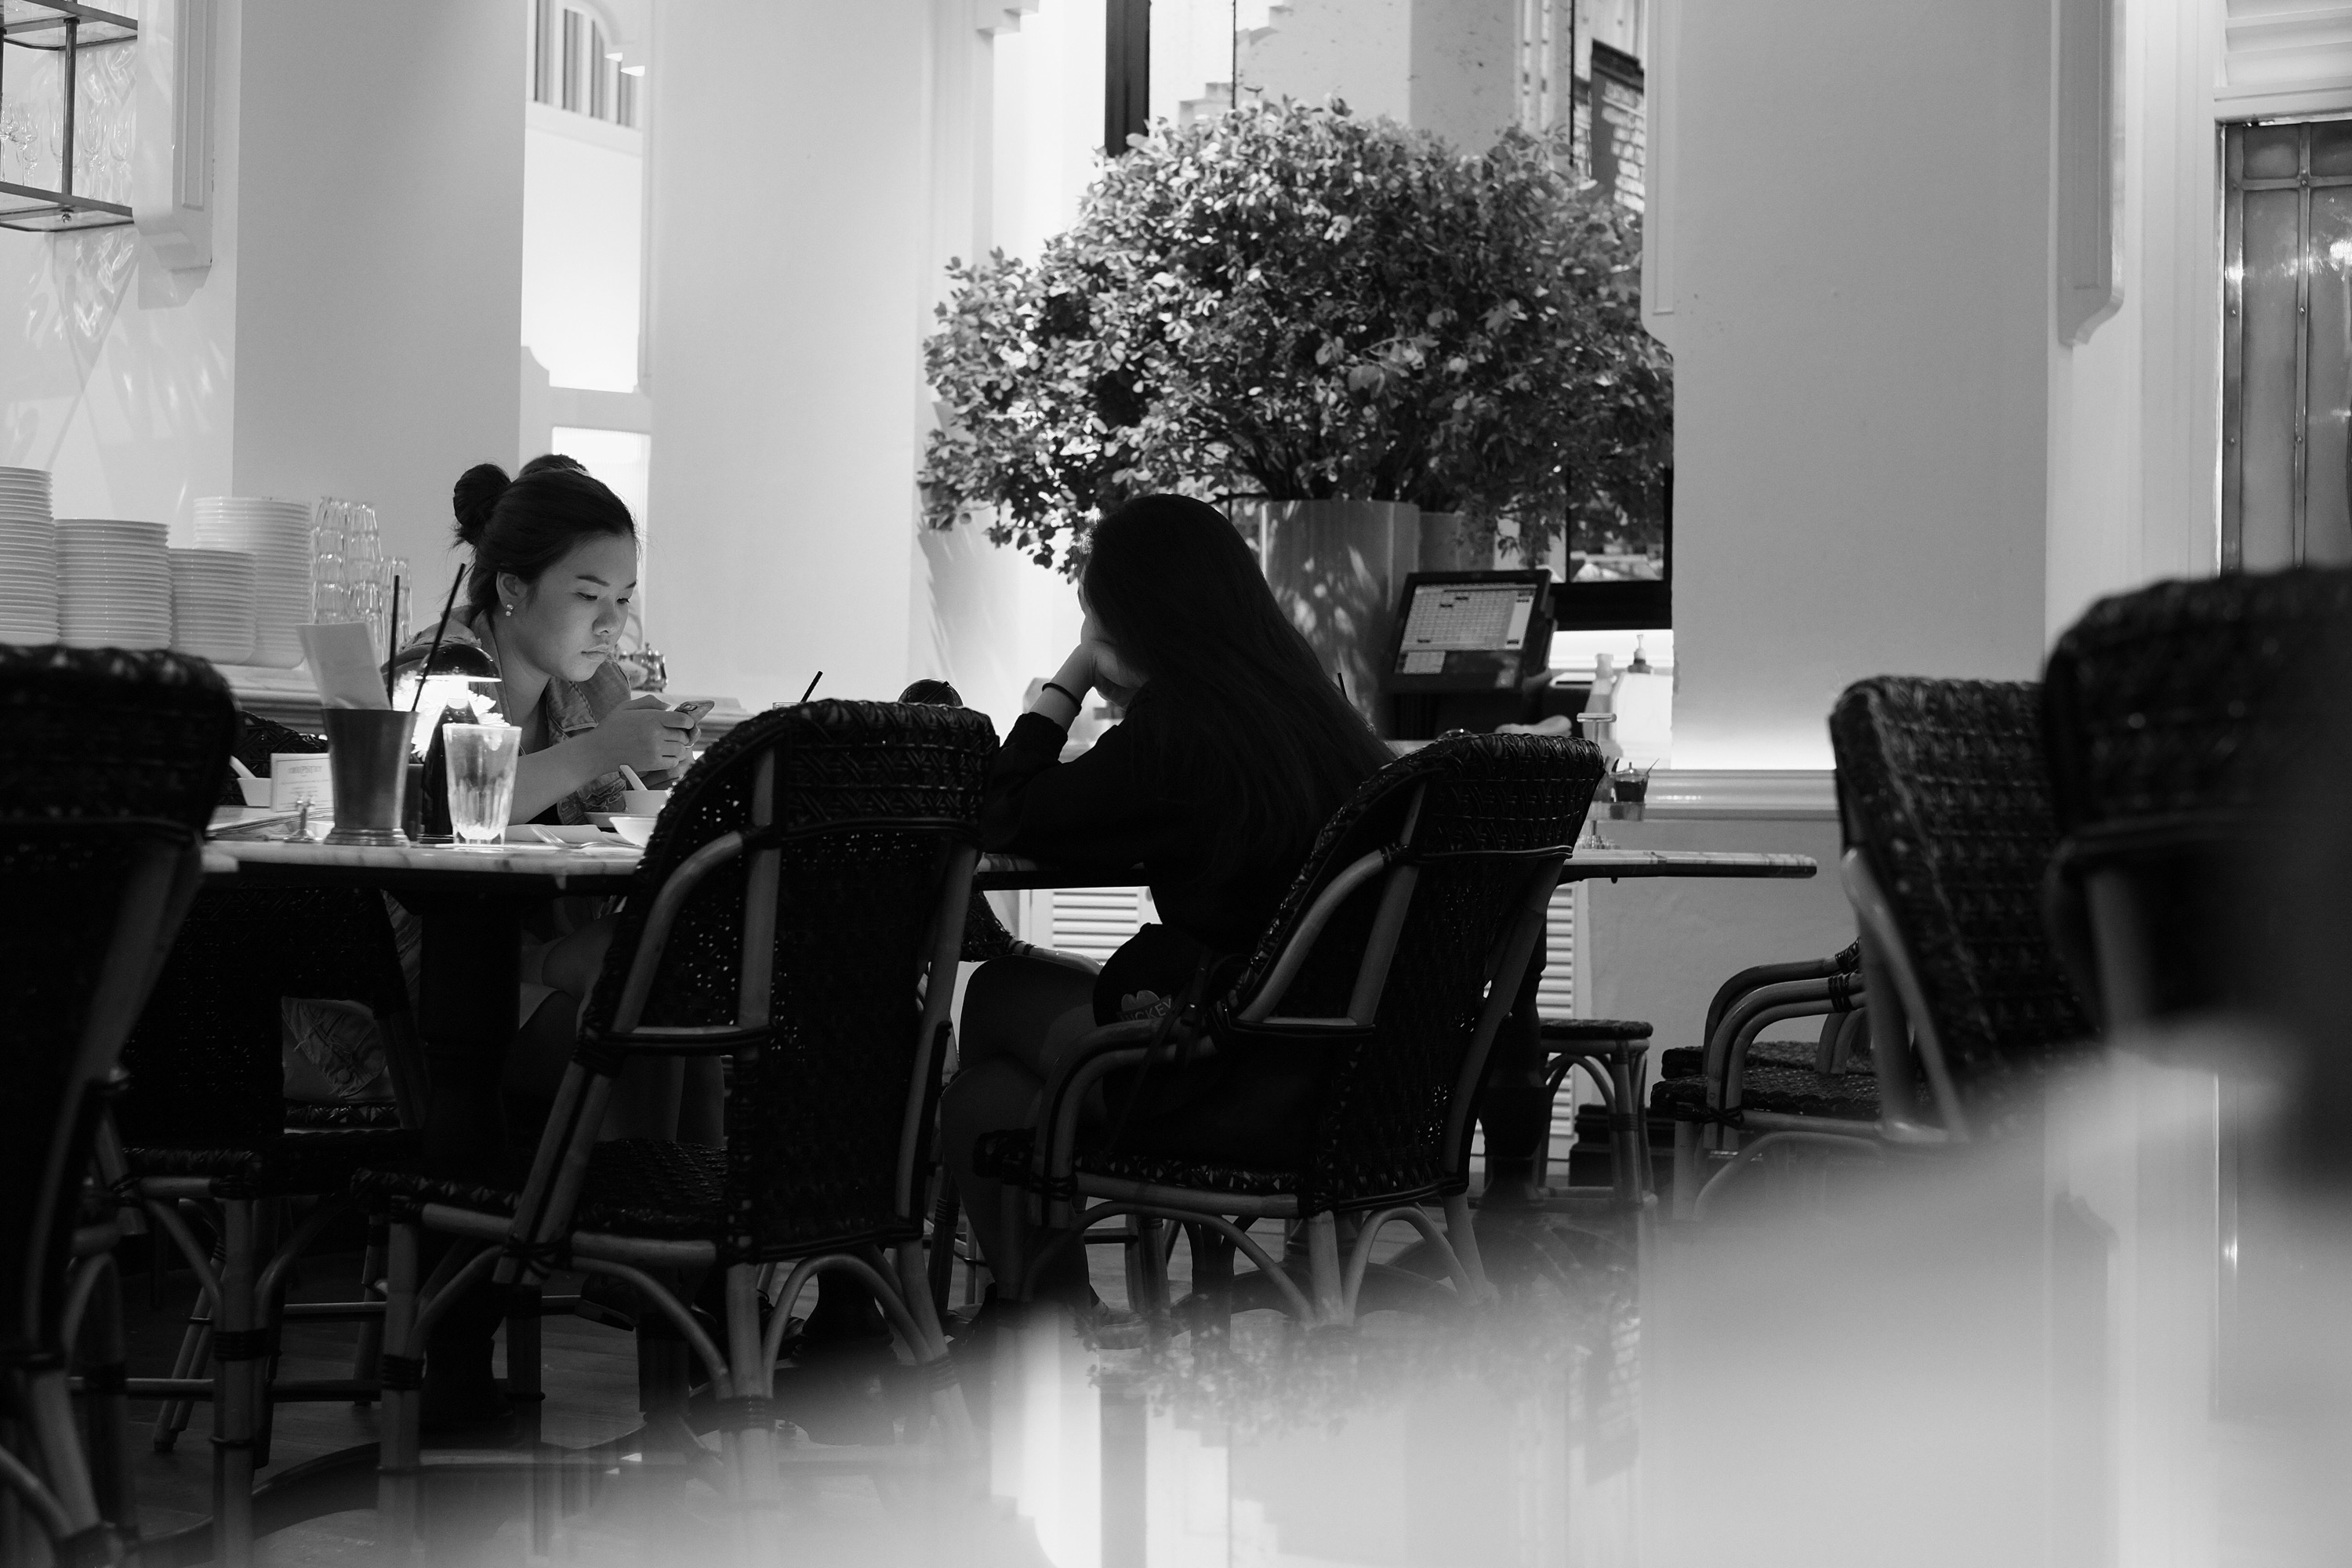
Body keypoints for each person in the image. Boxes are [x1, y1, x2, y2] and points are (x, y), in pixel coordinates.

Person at [938, 493, 1393, 1308]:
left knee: (999, 991)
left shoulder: (1184, 730)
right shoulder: (1317, 713)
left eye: (1097, 617)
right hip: (1354, 1076)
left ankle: (1045, 1320)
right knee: (986, 1100)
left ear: (1136, 619)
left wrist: (1070, 677)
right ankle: (1040, 1314)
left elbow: (1004, 810)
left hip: (1243, 1080)